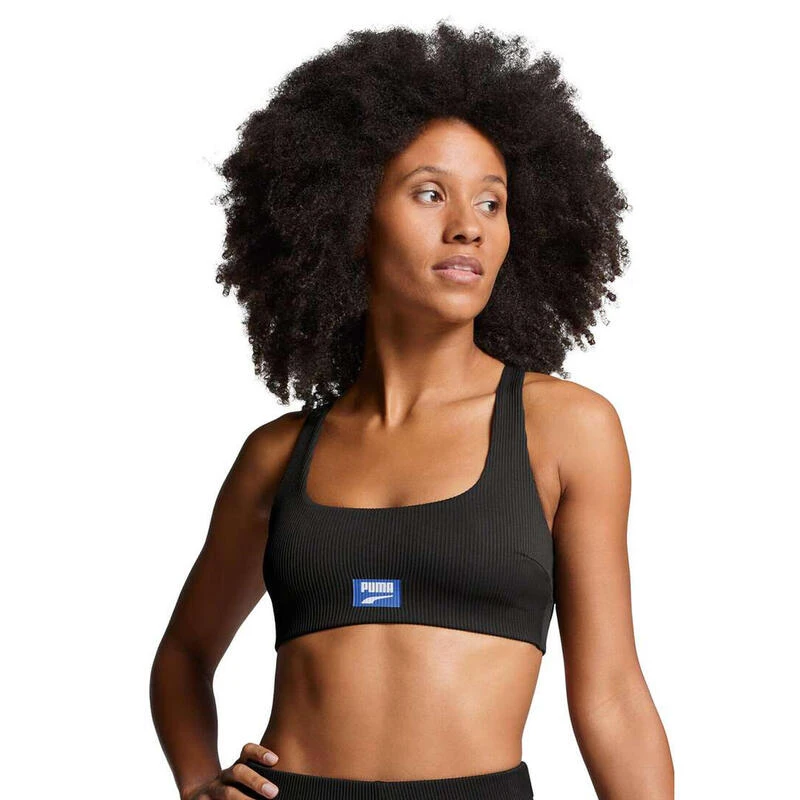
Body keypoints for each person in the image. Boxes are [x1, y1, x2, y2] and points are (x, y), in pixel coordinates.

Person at [150, 21, 674, 800]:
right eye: (430, 193)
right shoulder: (278, 455)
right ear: (349, 216)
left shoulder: (565, 430)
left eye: (491, 202)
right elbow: (184, 657)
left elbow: (612, 696)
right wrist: (199, 783)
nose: (468, 225)